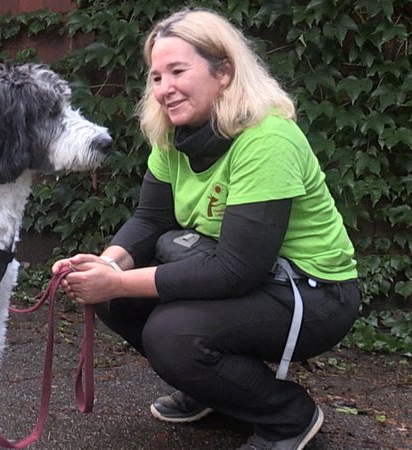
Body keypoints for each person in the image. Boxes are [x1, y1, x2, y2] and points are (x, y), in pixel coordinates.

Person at [52, 8, 360, 450]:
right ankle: (213, 391)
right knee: (117, 300)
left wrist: (117, 281)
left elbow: (238, 269)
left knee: (172, 333)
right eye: (156, 77)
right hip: (253, 276)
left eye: (178, 71)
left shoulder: (267, 139)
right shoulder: (174, 136)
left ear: (224, 71)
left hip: (315, 292)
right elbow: (151, 220)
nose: (164, 89)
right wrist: (104, 265)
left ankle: (289, 418)